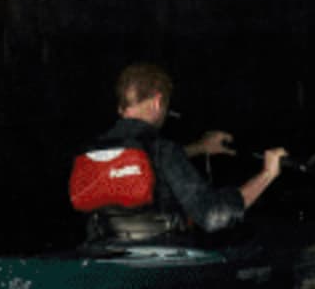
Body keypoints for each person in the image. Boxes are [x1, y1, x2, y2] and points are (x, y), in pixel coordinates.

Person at [67, 62, 284, 246]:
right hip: (160, 269)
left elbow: (143, 160)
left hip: (102, 257)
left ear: (121, 105)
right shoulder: (164, 151)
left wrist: (200, 147)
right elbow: (213, 217)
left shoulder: (88, 151)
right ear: (158, 102)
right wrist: (267, 174)